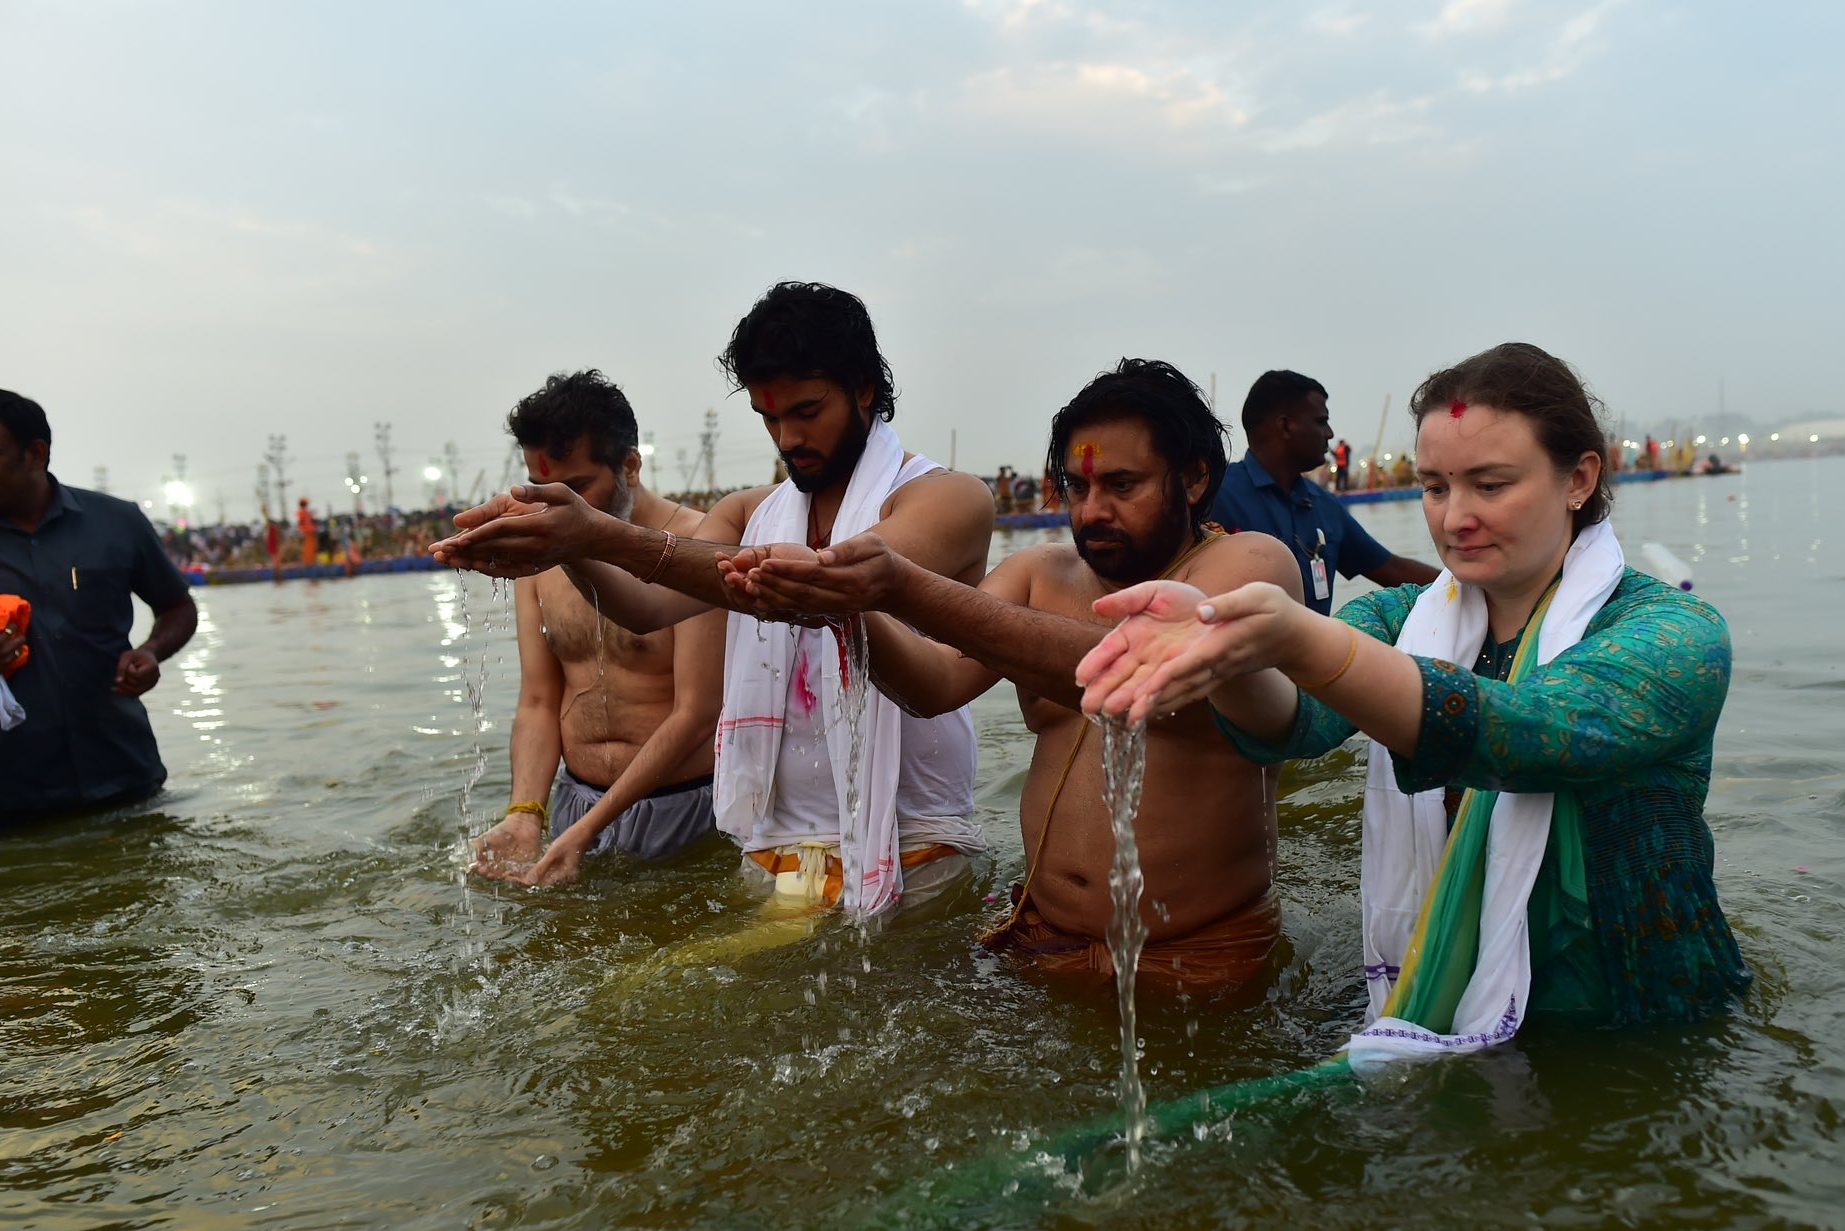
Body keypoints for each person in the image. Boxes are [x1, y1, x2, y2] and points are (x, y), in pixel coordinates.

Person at [1078, 342, 1747, 1043]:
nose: (1455, 517)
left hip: (1645, 1023)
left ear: (1579, 478)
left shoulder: (1673, 634)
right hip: (1444, 993)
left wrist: (1302, 640)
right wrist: (1232, 653)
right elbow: (1298, 723)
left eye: (1489, 485)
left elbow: (1527, 732)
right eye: (1434, 487)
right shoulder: (1403, 617)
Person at [720, 359, 1305, 993]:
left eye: (1121, 485)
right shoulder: (1038, 575)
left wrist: (904, 584)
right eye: (1078, 490)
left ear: (1192, 480)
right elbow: (934, 684)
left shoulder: (1250, 563)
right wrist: (846, 608)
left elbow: (1144, 664)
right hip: (1038, 935)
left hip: (1199, 948)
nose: (1093, 511)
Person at [432, 281, 993, 925]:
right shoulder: (750, 512)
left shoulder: (948, 499)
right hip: (777, 847)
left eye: (808, 410)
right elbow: (647, 606)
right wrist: (563, 543)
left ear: (864, 388)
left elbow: (833, 583)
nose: (789, 437)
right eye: (770, 418)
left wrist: (596, 532)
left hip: (916, 843)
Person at [467, 371, 725, 887]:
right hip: (575, 803)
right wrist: (526, 812)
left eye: (578, 489)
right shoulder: (540, 553)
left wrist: (587, 830)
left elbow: (697, 713)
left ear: (629, 466)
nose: (556, 510)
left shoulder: (700, 544)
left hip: (684, 809)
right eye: (542, 492)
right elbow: (539, 700)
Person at [0, 386, 199, 840]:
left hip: (124, 783)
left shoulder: (116, 522)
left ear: (35, 454)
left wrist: (151, 652)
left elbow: (177, 606)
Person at [1209, 370, 1435, 615]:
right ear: (1285, 426)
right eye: (1320, 421)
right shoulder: (1214, 496)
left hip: (1315, 651)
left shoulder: (1323, 504)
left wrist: (1467, 586)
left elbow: (1392, 568)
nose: (1329, 433)